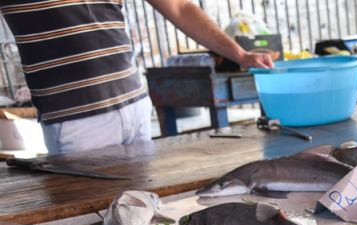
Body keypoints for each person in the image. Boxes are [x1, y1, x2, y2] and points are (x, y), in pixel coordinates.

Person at [0, 0, 275, 154]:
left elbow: (179, 7)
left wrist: (240, 54)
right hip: (76, 120)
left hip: (135, 105)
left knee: (144, 215)